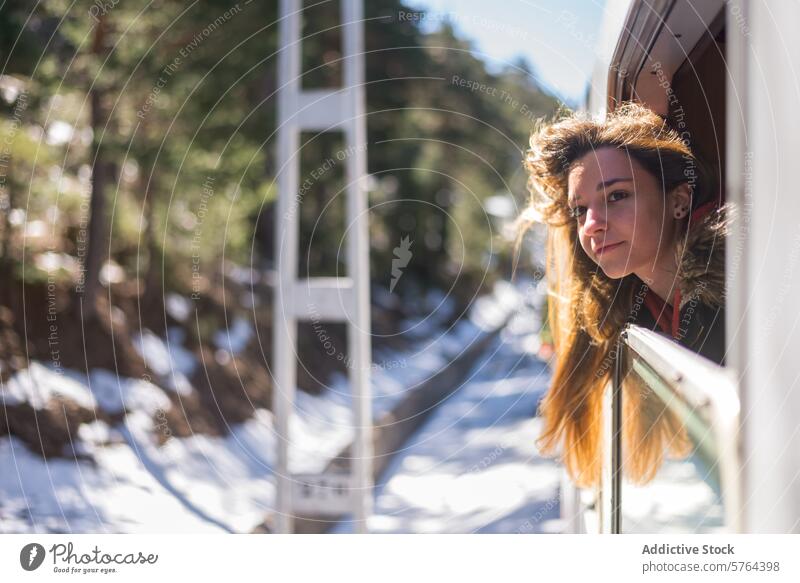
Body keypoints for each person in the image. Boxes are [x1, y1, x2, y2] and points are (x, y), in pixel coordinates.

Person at [517, 102, 730, 486]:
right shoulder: (635, 313)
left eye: (616, 196)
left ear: (678, 201)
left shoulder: (739, 285)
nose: (593, 225)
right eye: (580, 210)